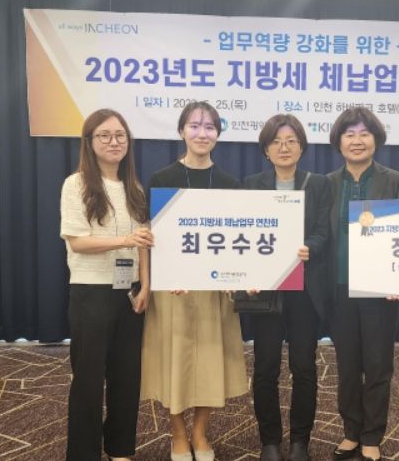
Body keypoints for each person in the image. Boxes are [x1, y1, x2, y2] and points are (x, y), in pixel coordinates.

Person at [140, 101, 248, 461]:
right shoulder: (161, 179)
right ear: (181, 131)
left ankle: (200, 432)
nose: (203, 133)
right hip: (173, 289)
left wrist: (237, 274)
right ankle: (177, 433)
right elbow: (151, 238)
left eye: (210, 127)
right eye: (195, 126)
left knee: (210, 364)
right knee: (173, 362)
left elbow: (236, 239)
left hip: (215, 290)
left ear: (218, 134)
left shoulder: (231, 184)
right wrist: (156, 278)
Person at [60, 108, 153, 461]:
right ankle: (83, 453)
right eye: (105, 135)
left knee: (126, 376)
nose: (114, 142)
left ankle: (120, 449)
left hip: (129, 292)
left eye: (120, 135)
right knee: (88, 378)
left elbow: (144, 240)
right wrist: (124, 240)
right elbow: (78, 242)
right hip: (91, 291)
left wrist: (146, 285)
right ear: (90, 141)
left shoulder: (134, 188)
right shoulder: (76, 184)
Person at [243, 114, 332, 461]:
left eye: (291, 141)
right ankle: (269, 441)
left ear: (302, 147)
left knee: (304, 367)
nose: (284, 147)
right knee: (265, 367)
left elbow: (324, 230)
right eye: (276, 142)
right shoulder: (252, 185)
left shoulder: (318, 184)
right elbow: (244, 232)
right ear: (266, 149)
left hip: (304, 289)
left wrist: (312, 247)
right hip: (265, 289)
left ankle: (299, 442)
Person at [327, 107, 399, 461]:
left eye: (364, 133)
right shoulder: (326, 183)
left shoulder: (395, 181)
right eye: (349, 134)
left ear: (376, 139)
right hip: (339, 287)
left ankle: (372, 434)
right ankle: (351, 431)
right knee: (346, 365)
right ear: (338, 141)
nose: (357, 141)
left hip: (379, 289)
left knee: (377, 364)